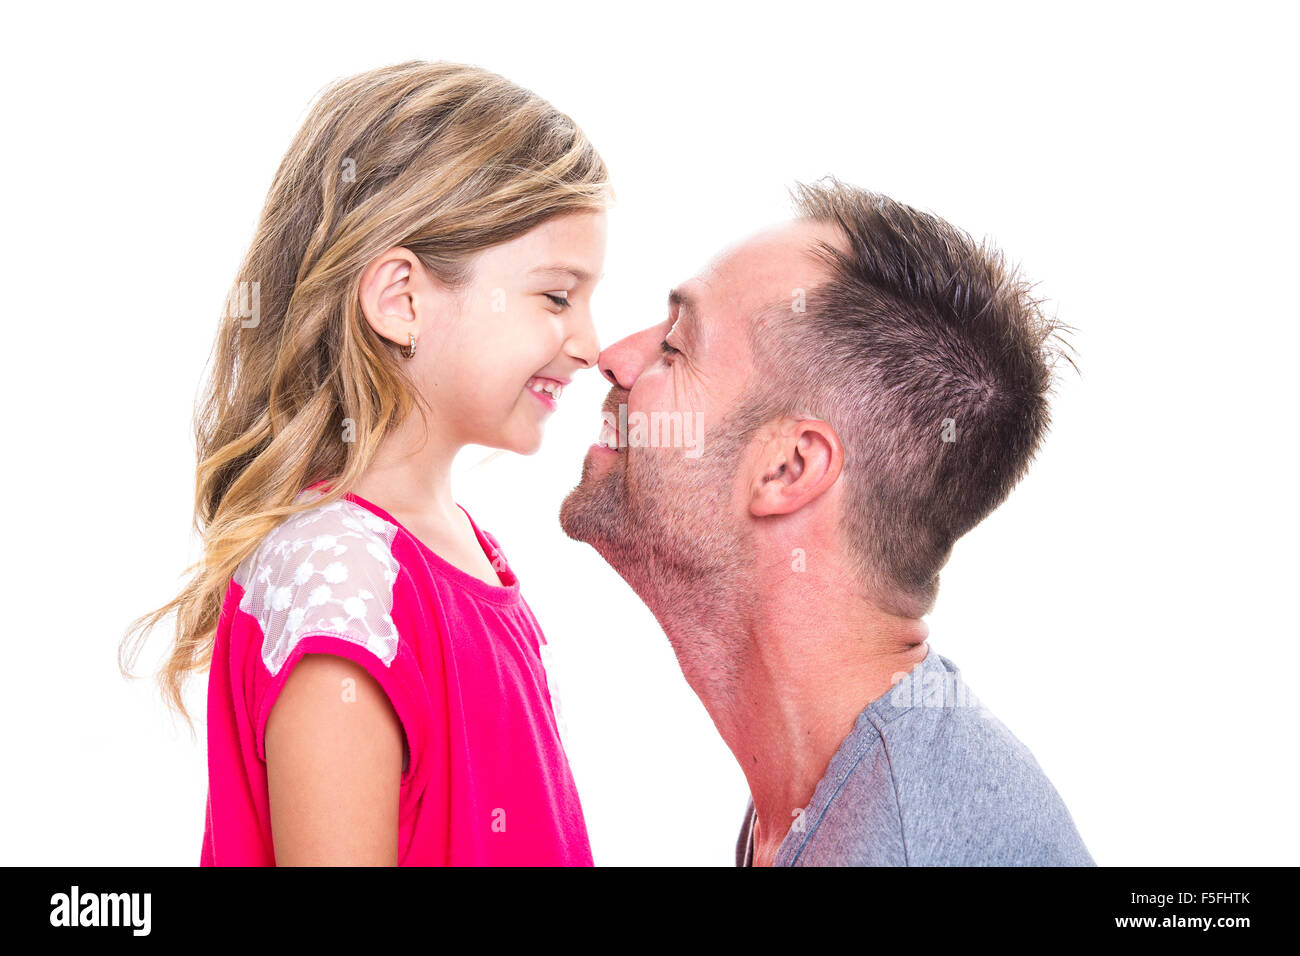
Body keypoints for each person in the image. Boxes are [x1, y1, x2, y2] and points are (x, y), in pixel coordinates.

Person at [120, 60, 610, 865]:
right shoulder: (344, 581)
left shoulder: (456, 549)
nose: (590, 345)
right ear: (402, 300)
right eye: (557, 297)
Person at [560, 177, 1095, 866]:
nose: (615, 358)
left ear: (788, 469)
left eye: (675, 346)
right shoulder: (839, 791)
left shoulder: (898, 841)